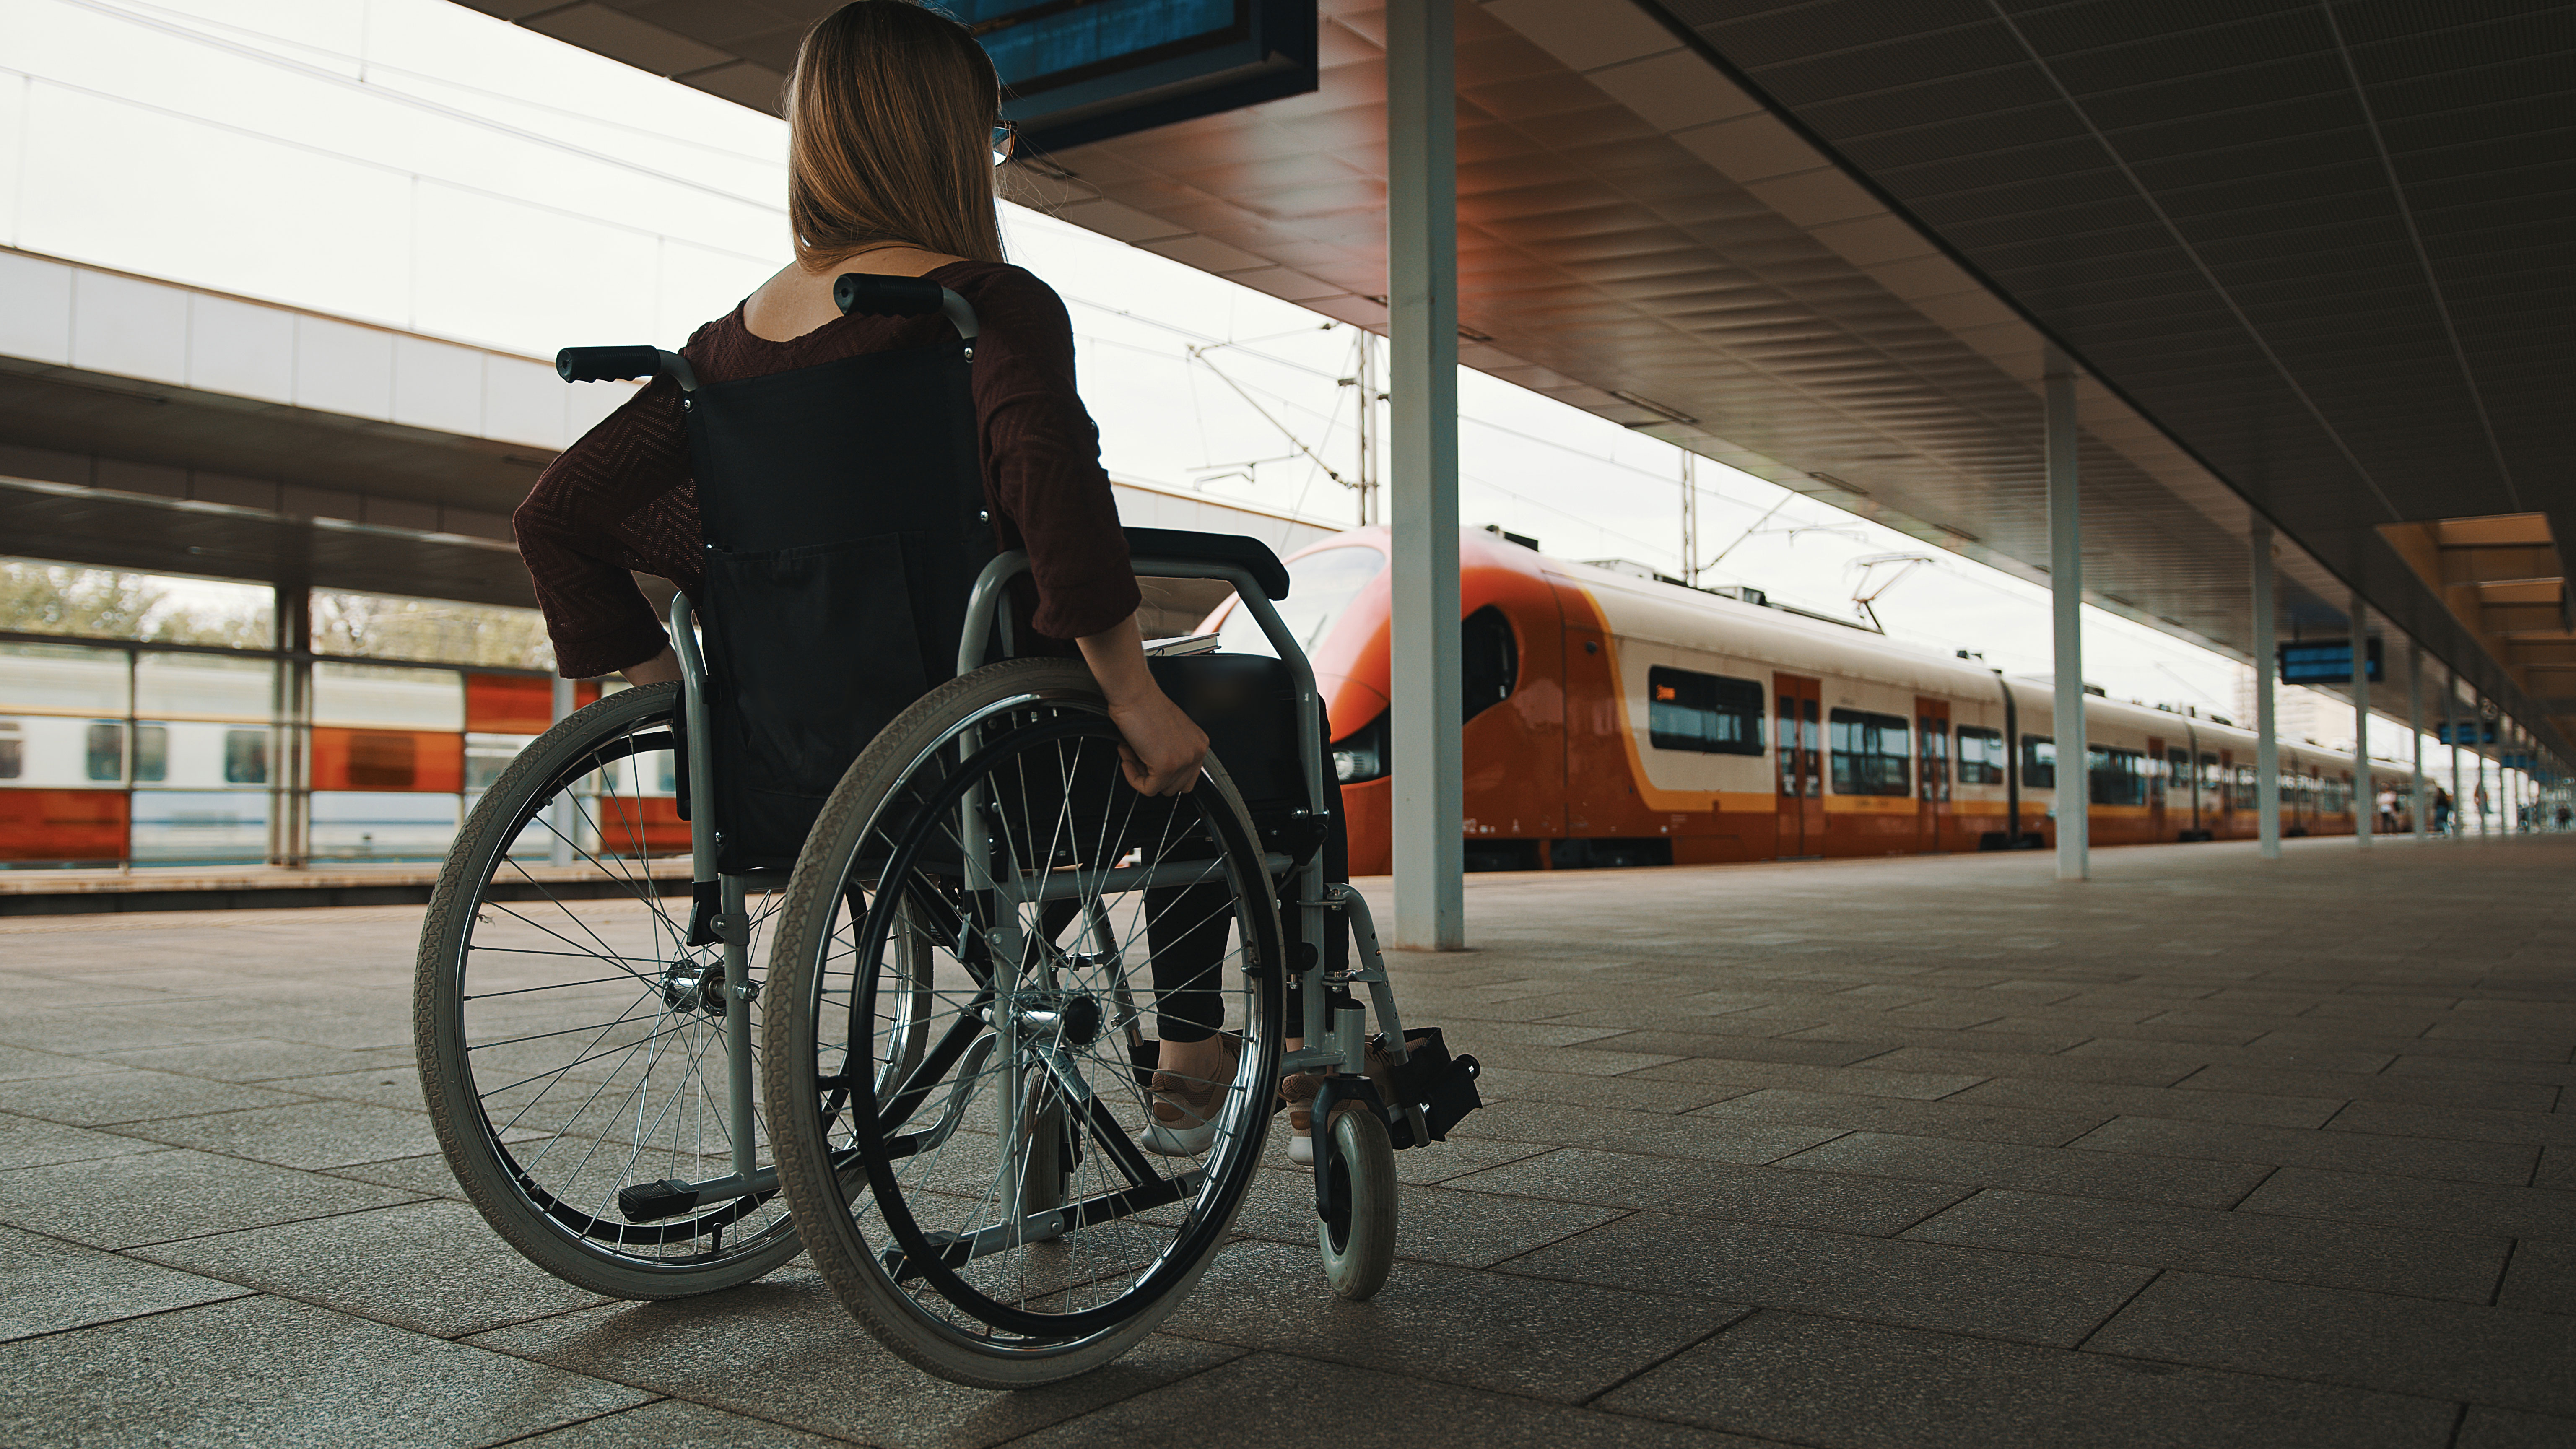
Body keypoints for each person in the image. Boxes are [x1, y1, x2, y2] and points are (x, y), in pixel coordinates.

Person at [512, 0, 1274, 1159]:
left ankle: (1052, 1011)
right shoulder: (981, 310)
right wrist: (1131, 693)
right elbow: (1050, 488)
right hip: (996, 770)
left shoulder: (720, 354)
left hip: (802, 782)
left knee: (1065, 776)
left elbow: (558, 515)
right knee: (1243, 711)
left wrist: (684, 704)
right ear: (947, 140)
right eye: (990, 133)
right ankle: (1190, 1043)